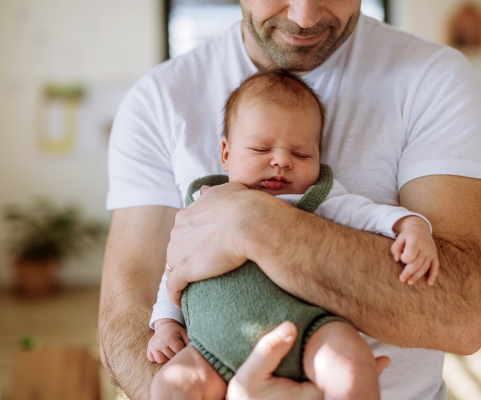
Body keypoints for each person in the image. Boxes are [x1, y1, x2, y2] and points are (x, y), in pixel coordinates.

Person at [99, 1, 481, 399]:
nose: (304, 16)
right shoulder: (157, 101)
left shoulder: (433, 79)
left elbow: (463, 314)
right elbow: (127, 313)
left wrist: (256, 225)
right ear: (226, 152)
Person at [147, 70, 439, 400]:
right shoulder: (203, 203)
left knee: (352, 364)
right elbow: (174, 269)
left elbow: (370, 215)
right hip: (210, 349)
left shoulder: (318, 198)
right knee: (168, 387)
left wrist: (411, 225)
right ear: (226, 153)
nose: (282, 161)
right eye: (260, 149)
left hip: (311, 333)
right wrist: (166, 323)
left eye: (301, 154)